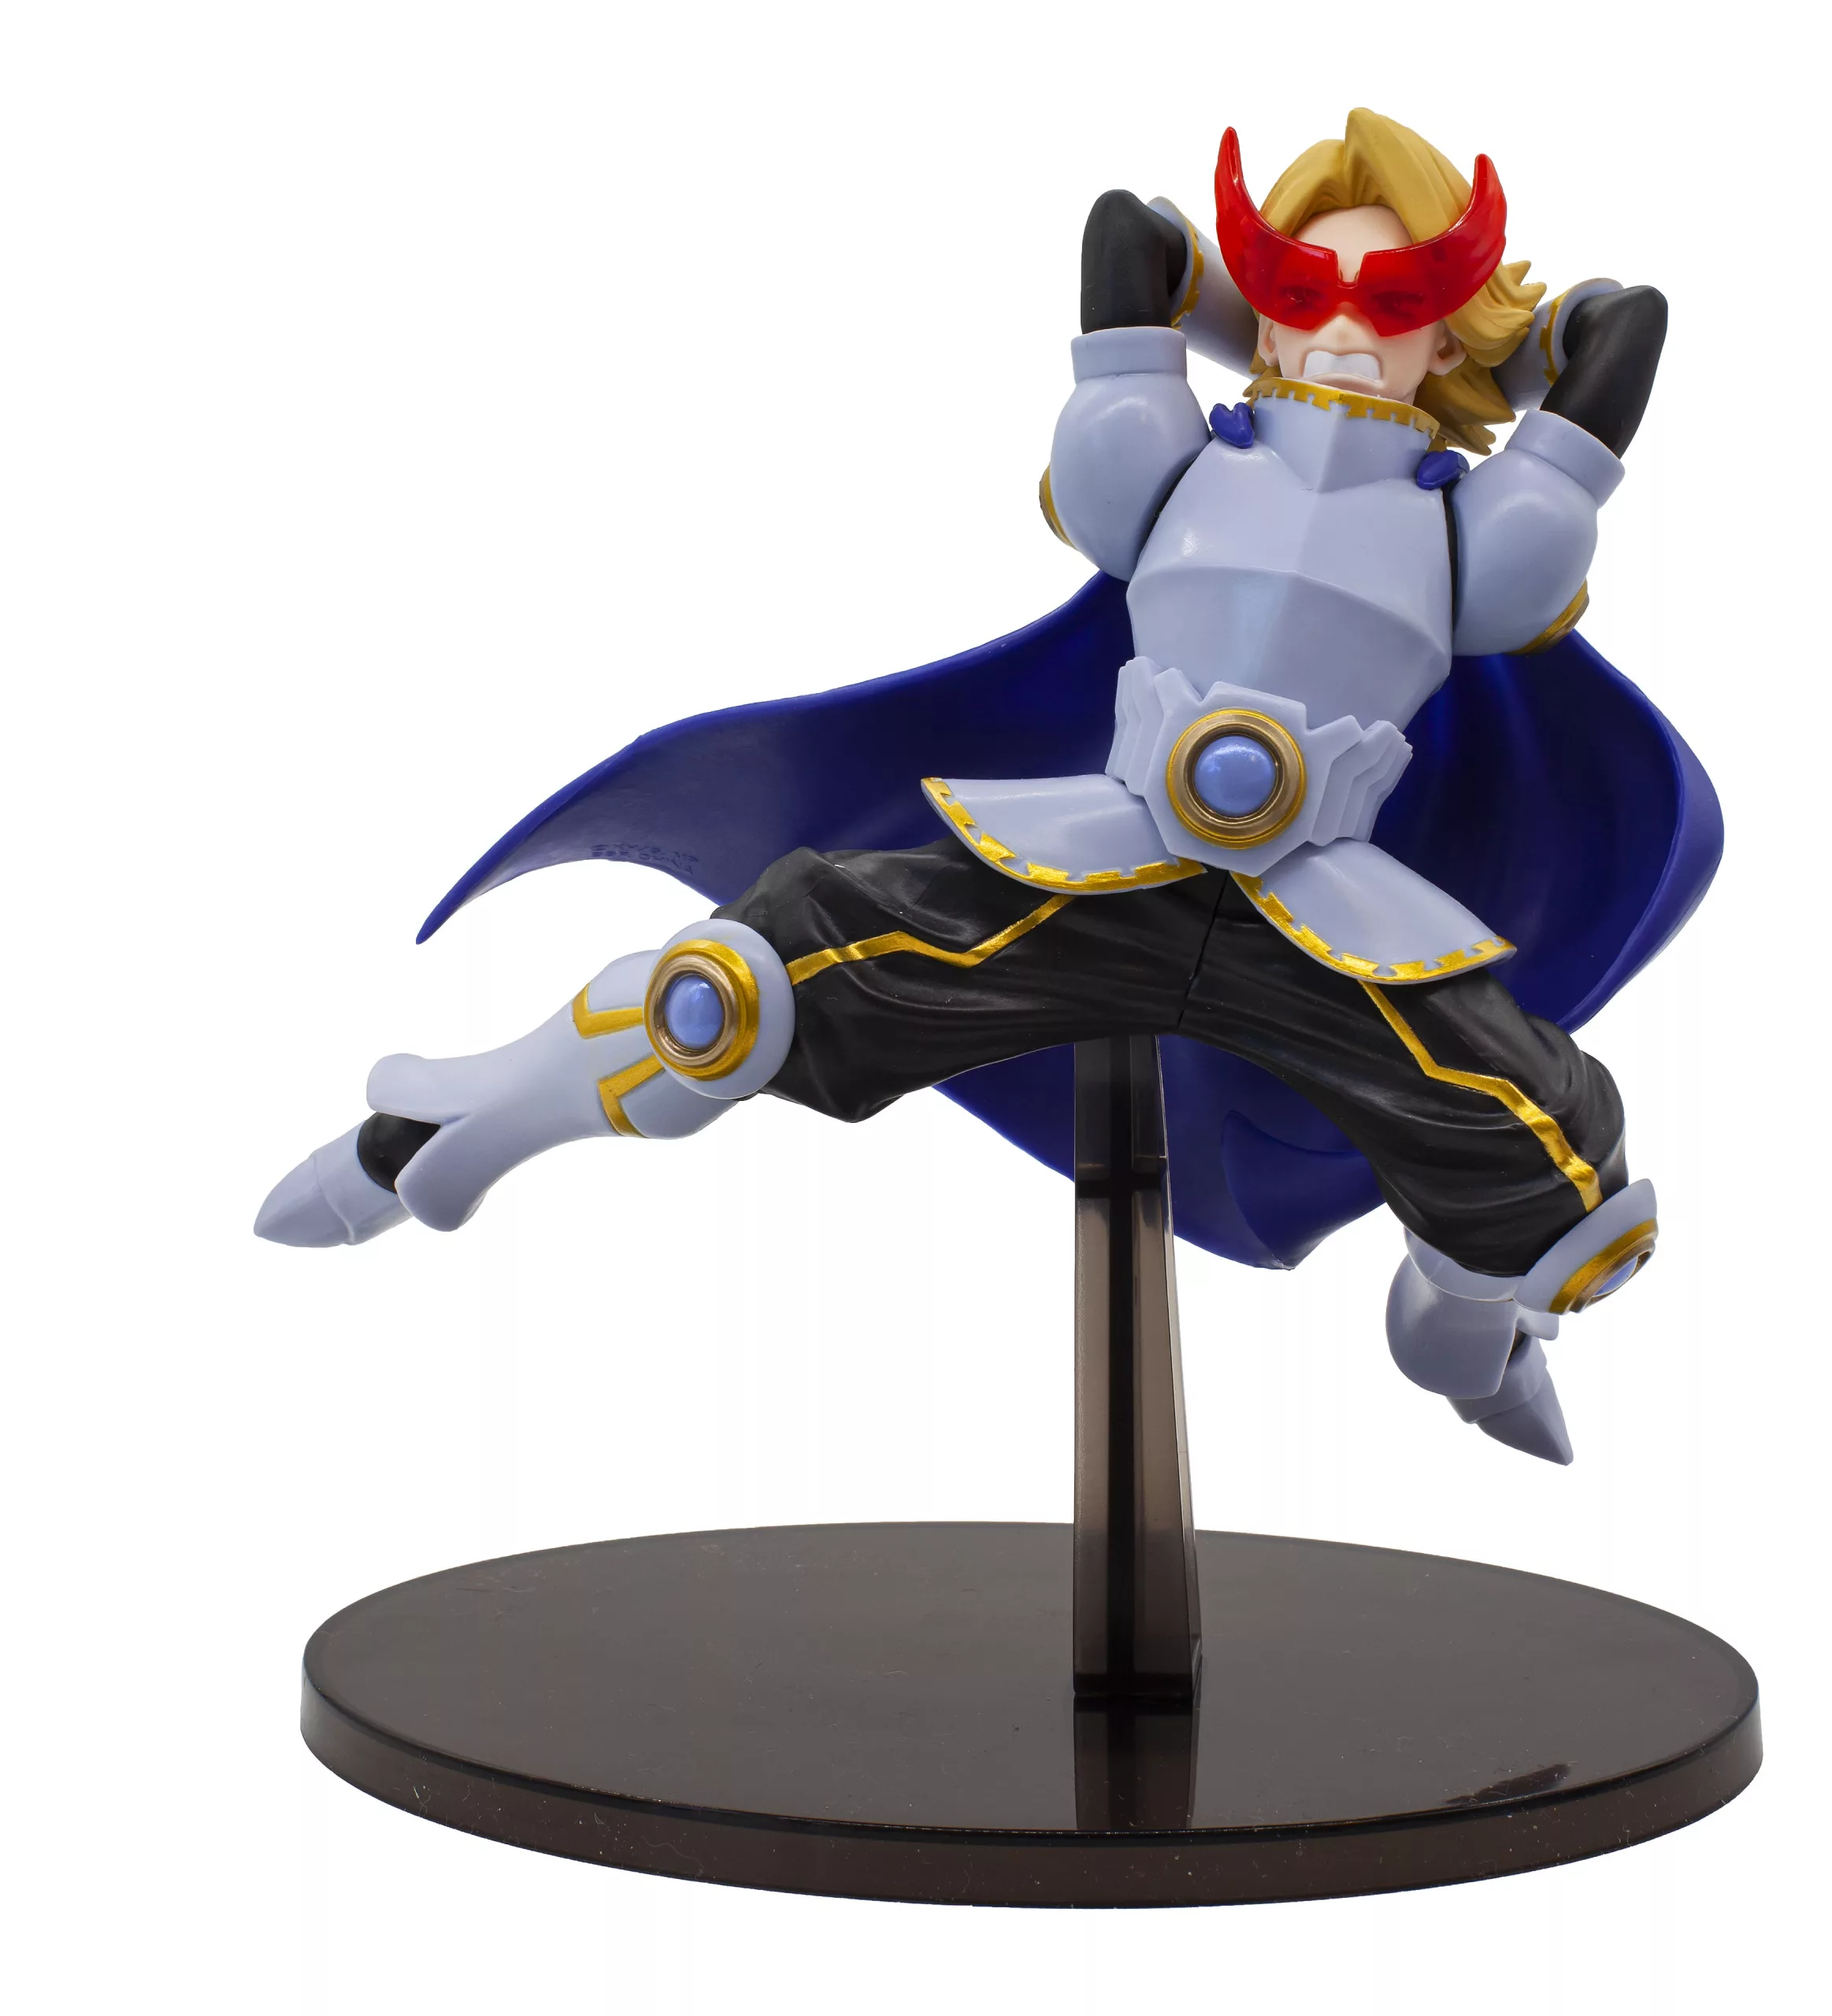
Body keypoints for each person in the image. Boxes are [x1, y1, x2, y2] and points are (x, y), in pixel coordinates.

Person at [258, 111, 1674, 1466]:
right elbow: (1129, 236)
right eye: (1307, 286)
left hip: (1324, 927)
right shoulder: (1181, 469)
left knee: (1555, 1171)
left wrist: (1503, 350)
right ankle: (446, 1135)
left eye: (1399, 296)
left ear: (1452, 327)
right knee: (734, 994)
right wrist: (1253, 312)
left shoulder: (1464, 529)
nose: (1348, 327)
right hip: (1097, 875)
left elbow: (1622, 339)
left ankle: (1462, 1339)